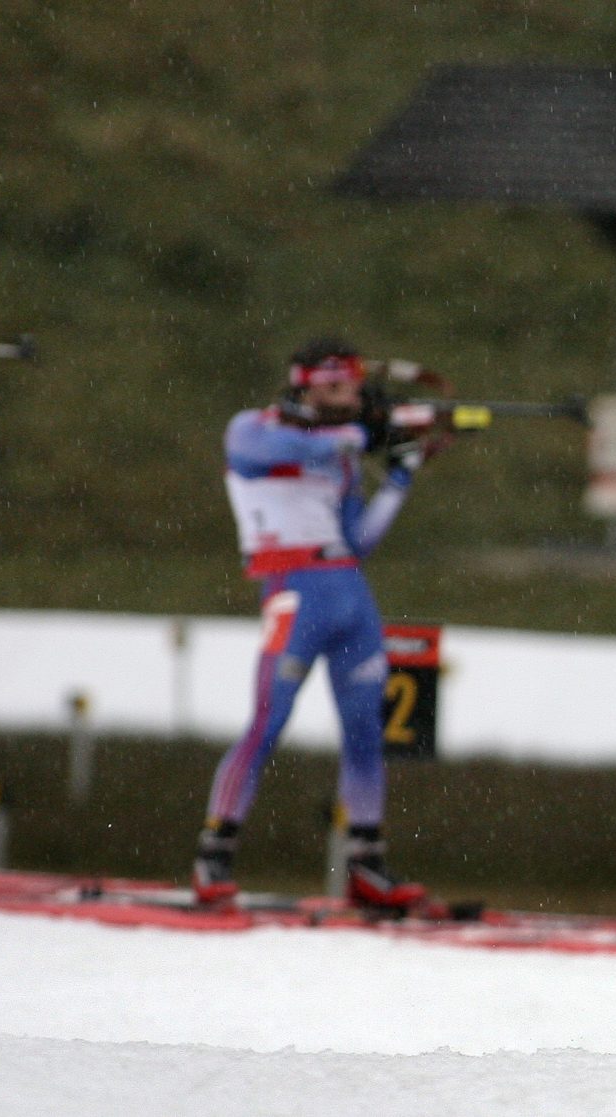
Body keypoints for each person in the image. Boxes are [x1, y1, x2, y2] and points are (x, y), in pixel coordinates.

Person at [192, 338, 434, 910]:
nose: (346, 398)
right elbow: (281, 449)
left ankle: (367, 864)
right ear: (302, 384)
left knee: (365, 734)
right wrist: (368, 432)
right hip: (293, 591)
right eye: (333, 388)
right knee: (267, 722)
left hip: (348, 591)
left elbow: (359, 541)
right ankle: (215, 851)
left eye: (350, 388)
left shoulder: (339, 456)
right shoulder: (252, 429)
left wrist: (399, 478)